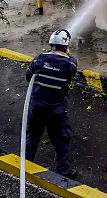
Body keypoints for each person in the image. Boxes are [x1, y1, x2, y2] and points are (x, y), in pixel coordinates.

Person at [25, 29, 78, 179]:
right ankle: (63, 169)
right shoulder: (71, 63)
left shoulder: (38, 59)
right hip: (56, 109)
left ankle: (26, 165)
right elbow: (69, 73)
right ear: (66, 46)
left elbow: (28, 77)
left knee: (33, 136)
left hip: (37, 106)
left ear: (50, 44)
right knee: (61, 137)